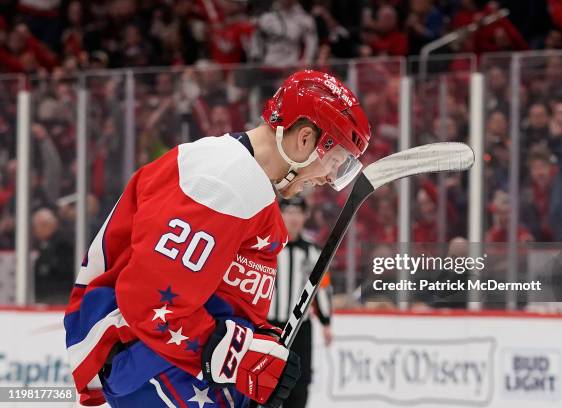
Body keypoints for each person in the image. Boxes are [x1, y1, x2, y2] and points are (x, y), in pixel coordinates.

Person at [63, 70, 371, 408]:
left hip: (177, 367)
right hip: (156, 365)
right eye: (335, 162)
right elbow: (151, 302)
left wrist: (255, 347)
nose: (329, 177)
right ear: (306, 139)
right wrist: (237, 357)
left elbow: (216, 293)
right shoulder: (224, 179)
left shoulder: (243, 181)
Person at [268, 196, 333, 408]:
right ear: (280, 214)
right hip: (268, 325)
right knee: (264, 379)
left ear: (305, 217)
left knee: (299, 381)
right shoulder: (268, 246)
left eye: (298, 213)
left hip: (300, 327)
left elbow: (321, 289)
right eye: (289, 212)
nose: (293, 218)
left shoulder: (312, 252)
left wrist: (325, 322)